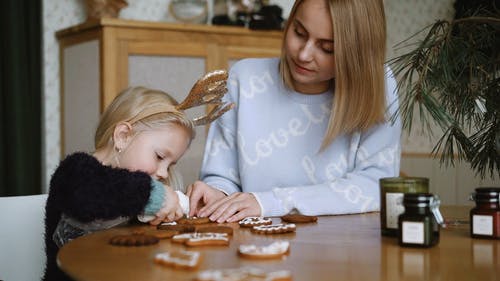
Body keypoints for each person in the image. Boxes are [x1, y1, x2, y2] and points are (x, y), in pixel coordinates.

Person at [187, 0, 401, 223]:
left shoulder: (379, 85)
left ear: (357, 54)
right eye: (299, 33)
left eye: (327, 48)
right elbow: (222, 177)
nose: (304, 55)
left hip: (344, 249)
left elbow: (376, 185)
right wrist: (216, 194)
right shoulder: (244, 79)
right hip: (256, 247)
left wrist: (269, 202)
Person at [42, 79, 230, 281]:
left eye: (171, 164)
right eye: (159, 157)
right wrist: (154, 195)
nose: (164, 173)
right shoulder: (75, 171)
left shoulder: (139, 194)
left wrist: (189, 207)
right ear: (123, 136)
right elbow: (91, 196)